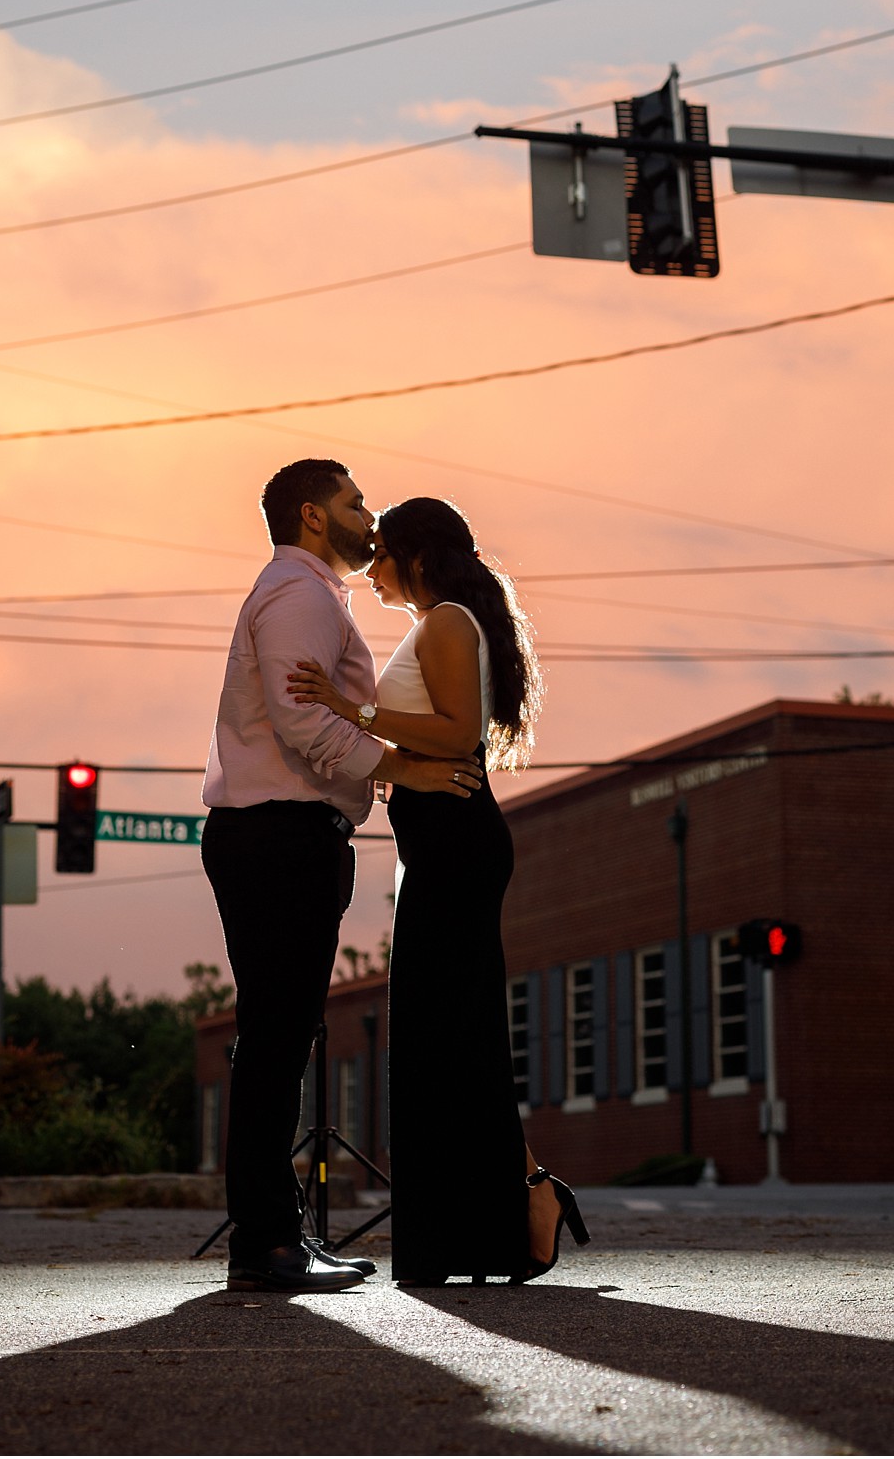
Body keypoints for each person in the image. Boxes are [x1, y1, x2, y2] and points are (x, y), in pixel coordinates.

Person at [288, 495, 588, 1285]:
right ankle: (507, 1212)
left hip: (457, 844)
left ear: (417, 554)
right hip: (441, 845)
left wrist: (348, 705)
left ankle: (496, 1219)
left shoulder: (450, 618)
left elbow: (457, 733)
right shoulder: (439, 622)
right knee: (450, 1039)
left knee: (445, 1039)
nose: (374, 564)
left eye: (383, 550)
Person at [200, 458, 483, 1294]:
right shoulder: (298, 594)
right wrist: (405, 766)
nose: (371, 514)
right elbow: (299, 716)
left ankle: (275, 1233)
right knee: (276, 1040)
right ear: (313, 515)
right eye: (355, 501)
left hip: (285, 834)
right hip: (276, 835)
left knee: (279, 1038)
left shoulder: (311, 594)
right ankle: (265, 1243)